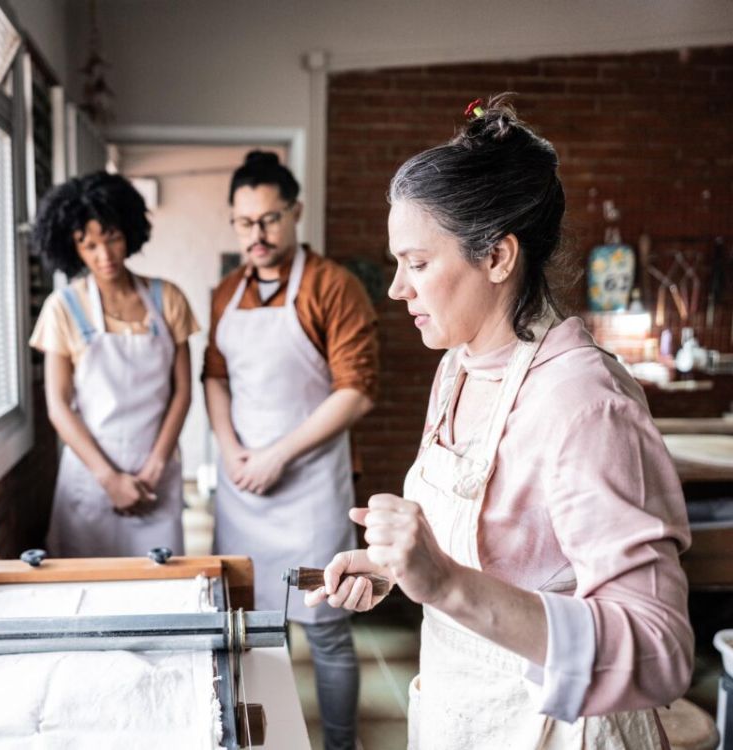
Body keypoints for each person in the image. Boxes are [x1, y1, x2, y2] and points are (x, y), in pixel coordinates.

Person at [305, 96, 693, 749]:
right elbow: (505, 555)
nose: (398, 288)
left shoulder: (584, 403)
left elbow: (661, 653)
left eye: (417, 263)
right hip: (465, 716)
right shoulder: (457, 368)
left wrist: (447, 584)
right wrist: (394, 567)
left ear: (496, 258)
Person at [203, 151, 379, 750]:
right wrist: (230, 447)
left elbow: (356, 391)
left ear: (295, 212)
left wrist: (277, 455)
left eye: (269, 220)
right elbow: (214, 376)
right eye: (244, 222)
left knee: (325, 630)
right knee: (251, 631)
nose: (256, 234)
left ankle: (339, 746)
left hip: (309, 489)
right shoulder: (226, 292)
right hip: (242, 491)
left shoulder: (334, 286)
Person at [30, 171, 199, 557]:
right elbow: (58, 406)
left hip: (155, 473)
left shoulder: (168, 298)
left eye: (112, 238)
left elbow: (183, 392)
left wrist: (155, 467)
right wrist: (109, 479)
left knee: (161, 585)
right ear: (71, 247)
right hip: (91, 478)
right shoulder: (63, 308)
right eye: (88, 245)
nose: (103, 256)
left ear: (129, 231)